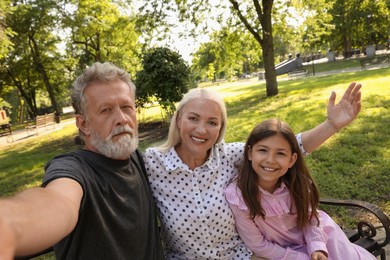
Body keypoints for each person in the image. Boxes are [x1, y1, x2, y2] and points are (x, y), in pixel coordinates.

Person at [144, 83, 362, 259]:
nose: (201, 129)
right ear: (179, 118)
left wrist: (331, 125)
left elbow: (289, 148)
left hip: (242, 256)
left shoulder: (229, 155)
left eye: (212, 122)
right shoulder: (153, 163)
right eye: (193, 118)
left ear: (220, 128)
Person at [0, 62, 164, 260]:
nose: (122, 118)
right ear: (83, 124)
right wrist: (10, 225)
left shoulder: (140, 159)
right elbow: (58, 203)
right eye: (106, 110)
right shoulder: (74, 170)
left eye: (126, 107)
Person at [224, 118, 375, 260]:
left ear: (292, 160)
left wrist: (317, 247)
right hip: (286, 254)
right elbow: (258, 245)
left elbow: (311, 219)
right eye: (263, 150)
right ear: (250, 153)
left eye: (280, 153)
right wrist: (301, 257)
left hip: (321, 236)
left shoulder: (297, 184)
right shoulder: (238, 196)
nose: (270, 160)